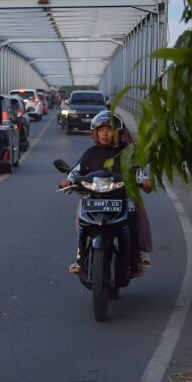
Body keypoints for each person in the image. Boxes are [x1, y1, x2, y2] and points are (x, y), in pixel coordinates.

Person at [59, 111, 153, 278]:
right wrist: (68, 181)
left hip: (122, 196)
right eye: (100, 130)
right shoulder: (90, 153)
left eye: (109, 130)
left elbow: (140, 171)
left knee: (137, 213)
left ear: (118, 133)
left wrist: (145, 181)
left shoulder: (128, 152)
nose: (104, 134)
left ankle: (138, 254)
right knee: (81, 215)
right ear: (95, 133)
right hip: (94, 197)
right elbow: (76, 171)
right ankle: (80, 255)